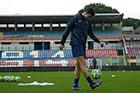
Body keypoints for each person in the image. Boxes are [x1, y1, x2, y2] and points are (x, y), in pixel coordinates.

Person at [60, 8, 104, 90]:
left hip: (82, 45)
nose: (89, 18)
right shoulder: (76, 18)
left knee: (79, 65)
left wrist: (98, 42)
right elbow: (67, 29)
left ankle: (75, 85)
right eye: (89, 16)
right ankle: (91, 83)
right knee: (82, 62)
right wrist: (62, 42)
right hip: (75, 43)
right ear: (86, 13)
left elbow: (90, 33)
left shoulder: (88, 22)